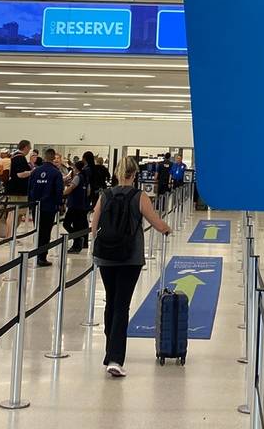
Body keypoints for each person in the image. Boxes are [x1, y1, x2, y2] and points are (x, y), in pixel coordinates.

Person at [91, 155, 172, 377]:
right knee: (121, 305)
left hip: (106, 256)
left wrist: (95, 247)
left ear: (117, 173)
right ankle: (116, 358)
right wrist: (167, 228)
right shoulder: (140, 196)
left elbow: (94, 224)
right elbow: (156, 222)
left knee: (111, 301)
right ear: (134, 175)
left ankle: (110, 352)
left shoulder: (105, 195)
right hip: (130, 257)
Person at [28, 148, 64, 267]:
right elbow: (59, 191)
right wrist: (60, 204)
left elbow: (30, 188)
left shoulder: (35, 171)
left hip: (36, 206)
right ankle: (42, 257)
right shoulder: (56, 173)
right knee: (46, 231)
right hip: (49, 206)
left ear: (43, 157)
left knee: (38, 230)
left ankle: (38, 254)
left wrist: (31, 203)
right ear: (53, 157)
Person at [64, 159, 91, 253]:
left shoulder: (77, 177)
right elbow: (88, 192)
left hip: (73, 205)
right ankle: (78, 242)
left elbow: (71, 188)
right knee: (78, 225)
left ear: (76, 168)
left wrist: (62, 194)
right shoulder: (85, 178)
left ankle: (78, 240)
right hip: (82, 205)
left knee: (66, 223)